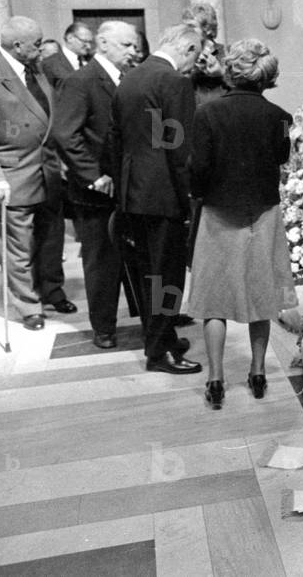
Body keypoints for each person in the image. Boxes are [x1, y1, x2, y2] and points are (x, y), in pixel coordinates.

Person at [186, 39, 297, 409]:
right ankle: (258, 372)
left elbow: (197, 170)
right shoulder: (281, 118)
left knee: (213, 301)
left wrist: (202, 193)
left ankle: (215, 378)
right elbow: (281, 158)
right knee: (262, 296)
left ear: (231, 72)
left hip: (217, 215)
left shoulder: (206, 115)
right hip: (263, 214)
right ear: (267, 77)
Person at [0, 16, 75, 331]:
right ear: (18, 45)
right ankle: (29, 305)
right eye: (36, 44)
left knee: (52, 238)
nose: (41, 49)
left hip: (47, 169)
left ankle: (52, 290)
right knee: (18, 244)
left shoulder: (36, 68)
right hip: (12, 173)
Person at [104, 24, 203, 374]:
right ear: (188, 48)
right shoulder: (174, 82)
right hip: (164, 196)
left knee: (149, 275)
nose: (194, 65)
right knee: (169, 277)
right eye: (197, 55)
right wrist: (189, 197)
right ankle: (160, 352)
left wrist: (122, 190)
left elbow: (114, 143)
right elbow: (179, 150)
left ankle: (163, 338)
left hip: (134, 193)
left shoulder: (129, 78)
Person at [52, 21, 138, 349]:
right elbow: (65, 133)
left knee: (137, 258)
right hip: (96, 192)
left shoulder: (127, 79)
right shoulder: (81, 81)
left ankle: (150, 317)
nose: (133, 51)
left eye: (134, 45)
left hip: (128, 187)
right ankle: (103, 327)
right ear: (102, 43)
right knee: (101, 264)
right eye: (126, 45)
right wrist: (94, 176)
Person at [183, 3, 226, 109]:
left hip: (217, 112)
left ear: (207, 29)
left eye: (192, 26)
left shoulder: (222, 52)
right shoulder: (184, 53)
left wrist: (221, 73)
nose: (186, 31)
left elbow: (238, 86)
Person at [41, 22, 94, 89]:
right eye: (84, 41)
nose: (89, 46)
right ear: (70, 38)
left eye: (90, 42)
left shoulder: (92, 61)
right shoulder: (50, 64)